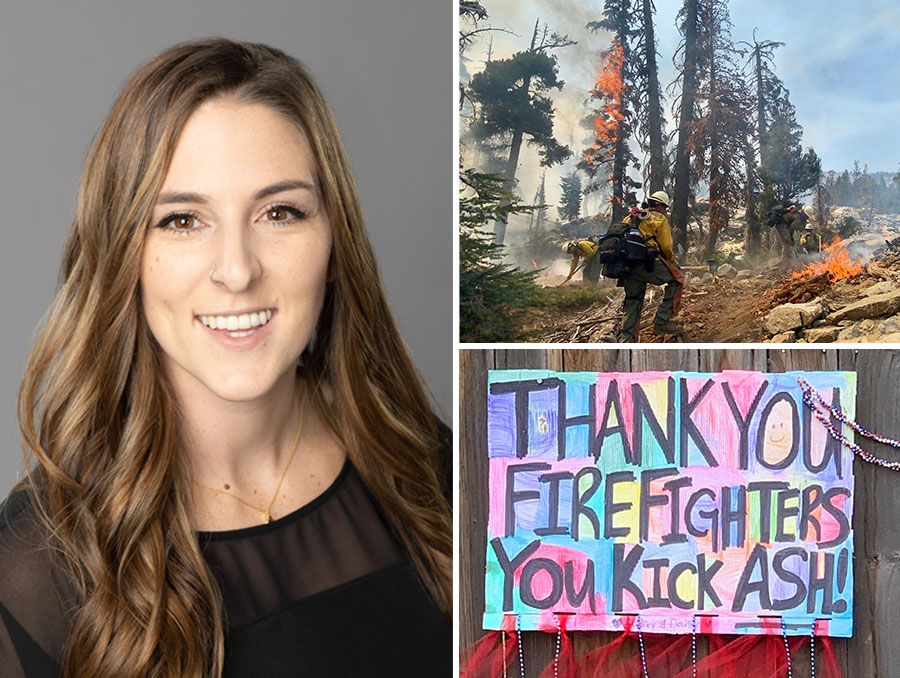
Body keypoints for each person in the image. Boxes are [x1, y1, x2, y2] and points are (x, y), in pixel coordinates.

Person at [0, 39, 451, 678]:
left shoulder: (436, 472)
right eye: (182, 220)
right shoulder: (36, 565)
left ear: (334, 245)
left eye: (280, 212)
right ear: (123, 255)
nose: (237, 271)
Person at [617, 190, 684, 342]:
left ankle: (626, 340)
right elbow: (666, 246)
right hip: (646, 262)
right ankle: (662, 321)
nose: (665, 210)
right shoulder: (658, 218)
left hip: (627, 265)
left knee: (633, 299)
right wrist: (671, 262)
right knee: (677, 279)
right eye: (665, 207)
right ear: (659, 205)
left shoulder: (631, 217)